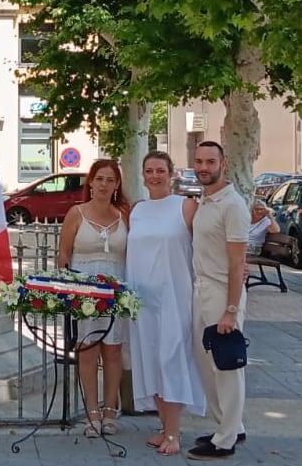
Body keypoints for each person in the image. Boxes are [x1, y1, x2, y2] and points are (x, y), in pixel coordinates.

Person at [126, 151, 206, 456]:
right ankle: (164, 427)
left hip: (175, 297)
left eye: (161, 170)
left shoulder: (186, 207)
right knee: (151, 361)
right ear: (143, 175)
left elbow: (208, 244)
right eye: (149, 170)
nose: (155, 175)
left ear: (171, 174)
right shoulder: (136, 211)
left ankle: (174, 432)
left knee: (171, 360)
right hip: (143, 301)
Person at [186, 141, 250, 460]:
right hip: (201, 289)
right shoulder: (205, 201)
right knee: (206, 365)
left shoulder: (232, 205)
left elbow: (238, 263)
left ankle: (224, 442)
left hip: (222, 293)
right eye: (198, 161)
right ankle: (229, 426)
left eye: (210, 161)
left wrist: (231, 310)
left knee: (226, 366)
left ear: (223, 164)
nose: (203, 167)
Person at [57, 159, 129, 437]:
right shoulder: (76, 213)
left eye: (110, 179)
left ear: (117, 184)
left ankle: (110, 410)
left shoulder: (124, 214)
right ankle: (92, 412)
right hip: (84, 291)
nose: (104, 184)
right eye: (99, 178)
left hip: (116, 290)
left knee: (113, 351)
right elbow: (63, 256)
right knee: (88, 349)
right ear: (91, 182)